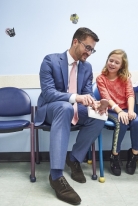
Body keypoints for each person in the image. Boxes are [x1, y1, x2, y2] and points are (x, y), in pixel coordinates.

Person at [35, 27, 108, 205]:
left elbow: (85, 94)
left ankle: (74, 158)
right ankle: (56, 176)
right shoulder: (50, 60)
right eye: (88, 47)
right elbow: (49, 93)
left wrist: (95, 104)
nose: (89, 53)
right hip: (51, 109)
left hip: (73, 107)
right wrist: (76, 98)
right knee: (65, 108)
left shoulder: (87, 67)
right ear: (75, 41)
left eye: (92, 49)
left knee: (100, 115)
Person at [96, 49, 138, 176]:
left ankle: (134, 155)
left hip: (126, 109)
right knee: (121, 122)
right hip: (110, 110)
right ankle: (114, 155)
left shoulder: (125, 78)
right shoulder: (101, 78)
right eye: (111, 60)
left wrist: (131, 111)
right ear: (107, 61)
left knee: (137, 122)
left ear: (122, 65)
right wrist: (120, 111)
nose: (112, 64)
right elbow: (107, 98)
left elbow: (130, 95)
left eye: (117, 62)